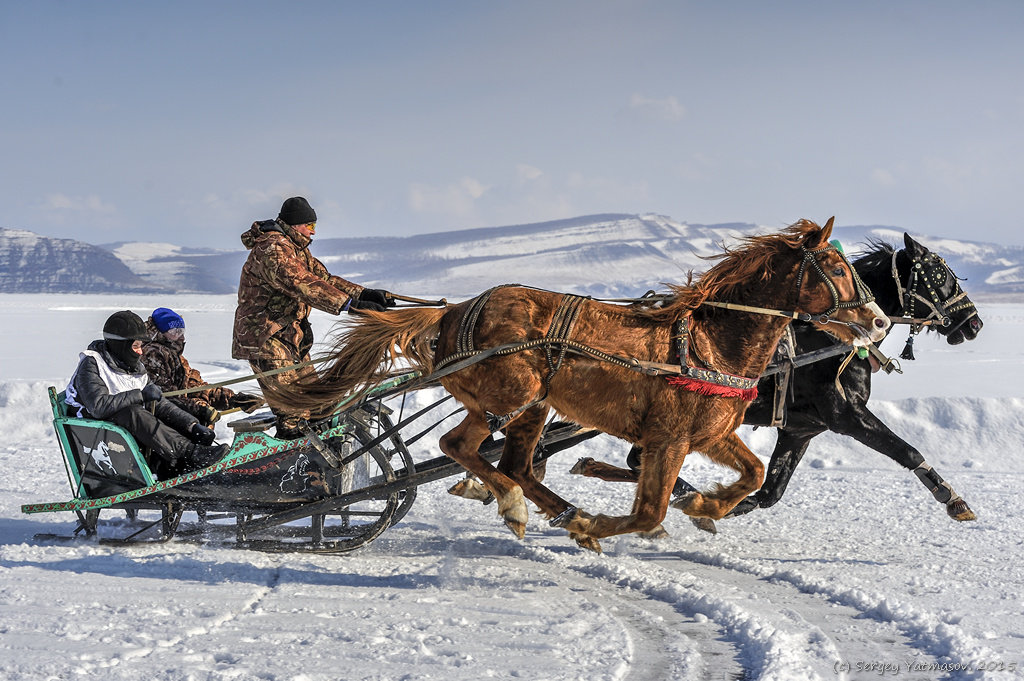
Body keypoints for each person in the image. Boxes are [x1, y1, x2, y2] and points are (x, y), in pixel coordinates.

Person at [231, 196, 394, 439]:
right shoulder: (272, 248)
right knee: (293, 411)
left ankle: (325, 461)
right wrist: (350, 305)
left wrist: (365, 293)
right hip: (265, 338)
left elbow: (324, 279)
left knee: (319, 402)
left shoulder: (297, 250)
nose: (313, 233)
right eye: (310, 226)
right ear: (296, 225)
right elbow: (301, 283)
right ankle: (293, 470)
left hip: (290, 336)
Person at [66, 310, 228, 477]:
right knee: (133, 412)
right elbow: (98, 406)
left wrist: (192, 425)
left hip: (125, 429)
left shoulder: (134, 367)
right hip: (95, 433)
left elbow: (158, 403)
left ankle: (179, 469)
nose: (140, 352)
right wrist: (140, 395)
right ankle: (190, 453)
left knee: (171, 411)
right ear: (121, 345)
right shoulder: (92, 364)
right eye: (135, 346)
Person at [141, 307, 264, 427]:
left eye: (182, 331)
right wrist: (199, 409)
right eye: (175, 332)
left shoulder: (175, 356)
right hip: (158, 419)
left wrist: (233, 399)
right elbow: (166, 396)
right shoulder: (153, 354)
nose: (182, 337)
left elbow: (194, 387)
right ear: (161, 333)